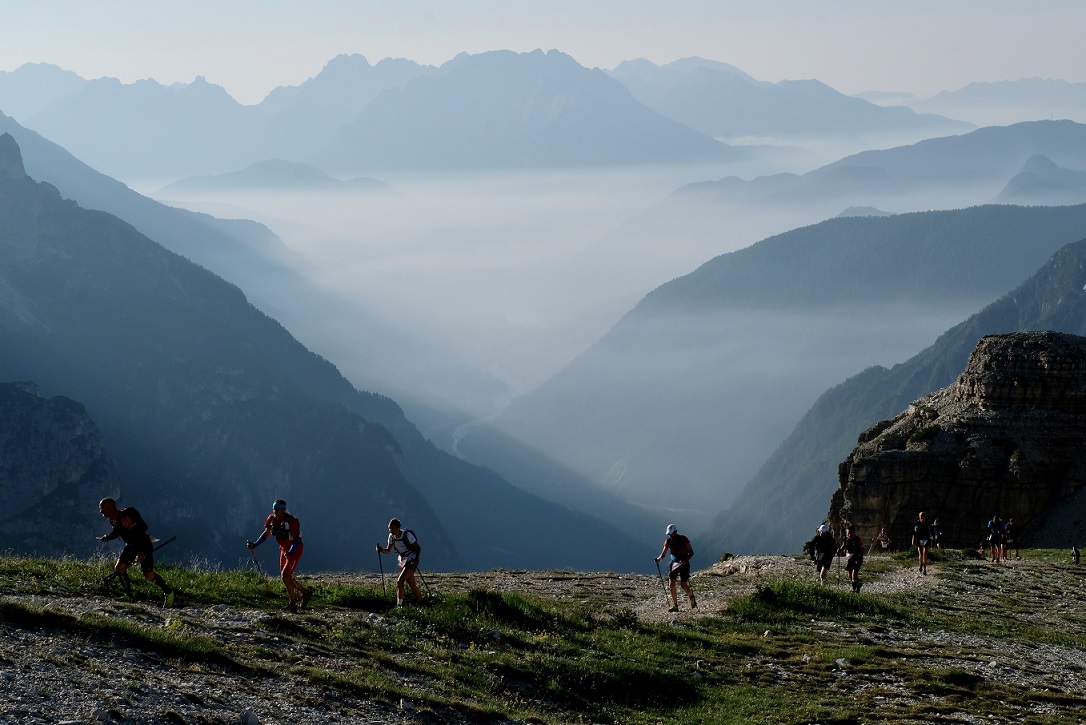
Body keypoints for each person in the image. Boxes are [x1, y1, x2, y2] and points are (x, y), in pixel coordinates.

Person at [98, 498, 174, 607]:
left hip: (143, 545)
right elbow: (117, 531)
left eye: (102, 508)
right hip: (131, 545)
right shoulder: (113, 519)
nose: (100, 511)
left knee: (148, 575)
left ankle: (168, 592)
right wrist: (109, 537)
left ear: (110, 507)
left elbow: (141, 531)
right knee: (119, 568)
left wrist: (142, 553)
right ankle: (128, 593)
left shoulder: (124, 518)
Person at [247, 499, 311, 612]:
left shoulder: (292, 521)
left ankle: (293, 603)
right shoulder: (271, 519)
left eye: (278, 510)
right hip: (284, 549)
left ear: (284, 510)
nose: (275, 512)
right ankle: (305, 592)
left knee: (285, 576)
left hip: (295, 550)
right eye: (274, 509)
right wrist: (255, 545)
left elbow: (297, 540)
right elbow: (266, 534)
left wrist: (290, 553)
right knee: (286, 577)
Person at [376, 518, 423, 607]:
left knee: (399, 582)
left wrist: (416, 560)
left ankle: (399, 606)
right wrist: (381, 550)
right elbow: (388, 550)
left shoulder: (407, 535)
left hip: (411, 559)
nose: (390, 530)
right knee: (412, 584)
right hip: (403, 560)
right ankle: (421, 603)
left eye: (392, 528)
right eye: (389, 528)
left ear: (398, 528)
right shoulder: (391, 537)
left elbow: (418, 548)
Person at [654, 524, 697, 612]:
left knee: (683, 585)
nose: (670, 535)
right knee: (671, 584)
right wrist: (659, 559)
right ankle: (675, 605)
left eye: (671, 533)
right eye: (669, 534)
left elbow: (691, 552)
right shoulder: (668, 541)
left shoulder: (684, 539)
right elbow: (663, 554)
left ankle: (691, 597)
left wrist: (685, 560)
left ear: (675, 532)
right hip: (674, 564)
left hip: (684, 564)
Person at [838, 524, 865, 592]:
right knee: (849, 574)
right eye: (848, 533)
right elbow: (843, 546)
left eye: (850, 533)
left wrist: (859, 554)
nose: (849, 535)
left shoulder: (857, 539)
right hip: (850, 557)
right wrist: (840, 550)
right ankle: (857, 584)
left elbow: (862, 548)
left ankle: (854, 589)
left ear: (854, 533)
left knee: (854, 572)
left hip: (857, 557)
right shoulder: (846, 539)